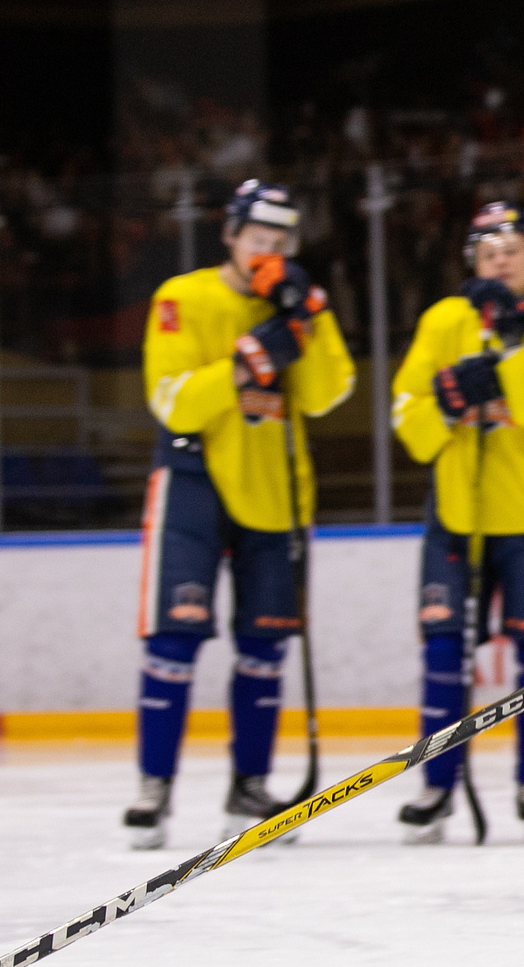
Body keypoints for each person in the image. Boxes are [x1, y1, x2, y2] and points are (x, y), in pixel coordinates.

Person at [125, 181, 355, 849]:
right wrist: (248, 360)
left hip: (275, 488)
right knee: (173, 638)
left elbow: (324, 392)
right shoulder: (182, 296)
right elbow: (173, 402)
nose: (270, 250)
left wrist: (306, 318)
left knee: (265, 645)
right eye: (259, 237)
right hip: (194, 480)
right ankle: (154, 786)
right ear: (230, 234)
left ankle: (248, 784)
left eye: (282, 241)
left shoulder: (297, 302)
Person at [390, 202, 524, 838]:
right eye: (487, 251)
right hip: (456, 518)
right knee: (443, 653)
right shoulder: (445, 320)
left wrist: (511, 341)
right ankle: (436, 788)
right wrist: (451, 408)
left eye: (512, 248)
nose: (500, 259)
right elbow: (407, 411)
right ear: (472, 265)